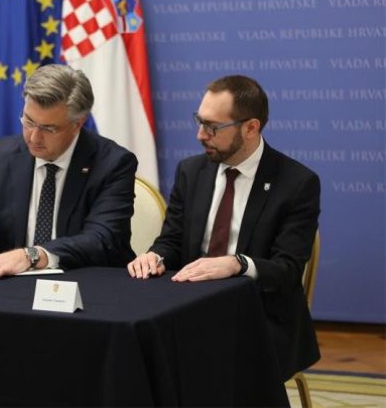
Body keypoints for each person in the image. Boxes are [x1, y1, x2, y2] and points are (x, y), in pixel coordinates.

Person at [127, 75, 320, 381]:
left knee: (206, 362)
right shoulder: (191, 172)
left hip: (258, 314)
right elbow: (172, 240)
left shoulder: (296, 184)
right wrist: (155, 256)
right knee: (132, 348)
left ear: (251, 127)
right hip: (188, 307)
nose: (200, 134)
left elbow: (287, 269)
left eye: (212, 127)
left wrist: (237, 264)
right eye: (199, 121)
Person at [0, 64, 138, 280]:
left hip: (87, 285)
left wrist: (32, 255)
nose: (33, 137)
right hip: (12, 289)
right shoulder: (2, 156)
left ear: (78, 123)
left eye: (49, 129)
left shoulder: (112, 163)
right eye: (28, 122)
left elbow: (101, 239)